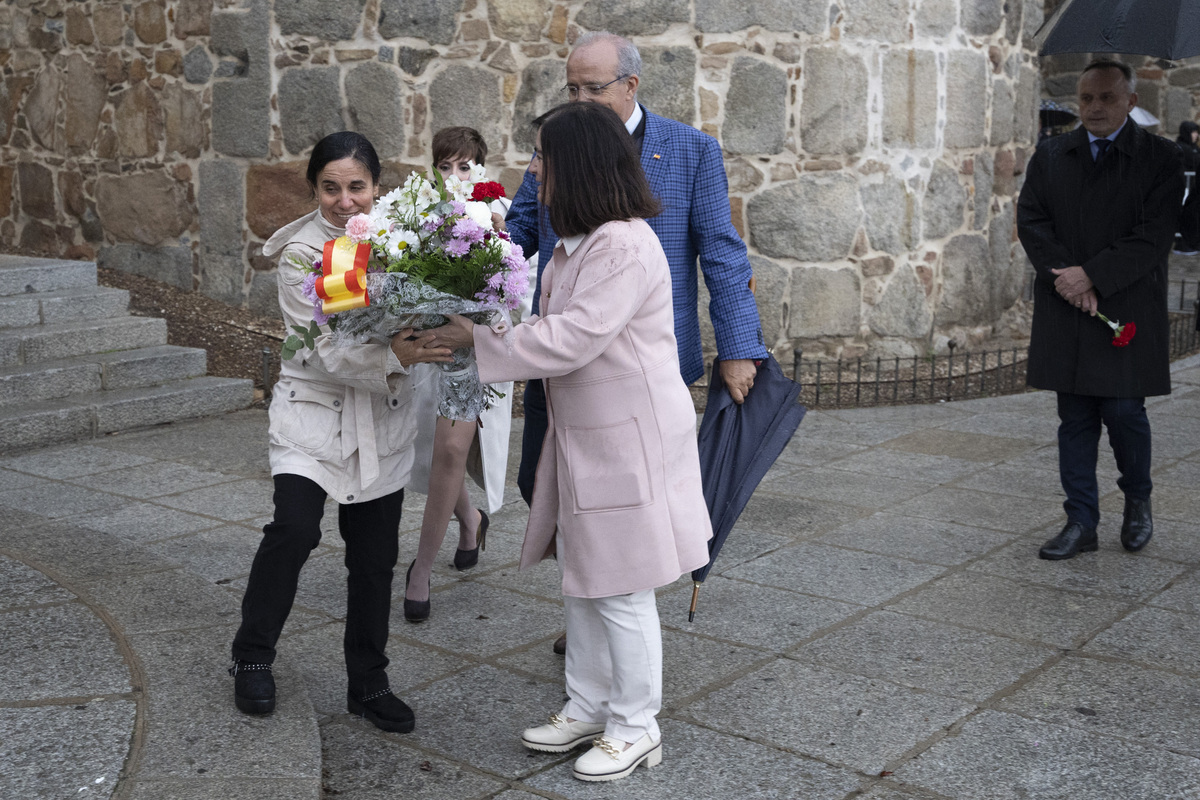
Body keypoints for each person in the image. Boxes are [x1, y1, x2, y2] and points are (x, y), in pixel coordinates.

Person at [430, 102, 713, 782]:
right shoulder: (581, 240)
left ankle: (636, 725)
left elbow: (575, 337)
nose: (533, 169)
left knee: (623, 588)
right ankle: (588, 704)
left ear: (575, 166)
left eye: (542, 158)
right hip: (589, 437)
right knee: (585, 579)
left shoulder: (621, 243)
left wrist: (479, 339)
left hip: (624, 442)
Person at [507, 30, 766, 654]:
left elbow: (723, 256)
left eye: (593, 88)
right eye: (571, 88)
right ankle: (596, 608)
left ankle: (616, 616)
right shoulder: (560, 146)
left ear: (631, 85)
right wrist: (458, 268)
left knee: (625, 502)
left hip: (641, 365)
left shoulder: (691, 150)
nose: (581, 99)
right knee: (543, 484)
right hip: (561, 358)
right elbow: (518, 228)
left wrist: (738, 345)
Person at [229, 131, 453, 732]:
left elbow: (429, 306)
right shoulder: (302, 254)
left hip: (382, 415)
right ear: (315, 189)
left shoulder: (407, 241)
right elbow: (324, 351)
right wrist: (398, 356)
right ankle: (252, 655)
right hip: (313, 409)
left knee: (375, 556)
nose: (345, 200)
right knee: (294, 530)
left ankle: (369, 682)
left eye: (357, 186)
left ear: (377, 188)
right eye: (331, 187)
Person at [1017, 60, 1184, 561]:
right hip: (1067, 303)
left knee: (1123, 410)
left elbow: (1153, 235)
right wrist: (1067, 276)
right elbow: (1032, 220)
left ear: (1131, 102)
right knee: (1075, 416)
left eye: (1106, 98)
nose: (1093, 107)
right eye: (1086, 98)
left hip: (1125, 302)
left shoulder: (1160, 158)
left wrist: (1094, 275)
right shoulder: (1051, 155)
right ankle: (1081, 521)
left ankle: (1138, 501)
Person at [402, 126, 521, 622]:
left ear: (481, 168)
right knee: (435, 449)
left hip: (478, 348)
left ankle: (420, 570)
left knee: (451, 449)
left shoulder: (503, 215)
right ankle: (470, 520)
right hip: (432, 344)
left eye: (465, 165)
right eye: (445, 165)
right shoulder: (418, 212)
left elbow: (518, 287)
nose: (455, 175)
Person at [1174, 120, 1200, 255]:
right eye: (1194, 132)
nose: (1196, 135)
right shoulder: (1183, 147)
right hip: (1184, 187)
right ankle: (1182, 244)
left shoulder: (1191, 147)